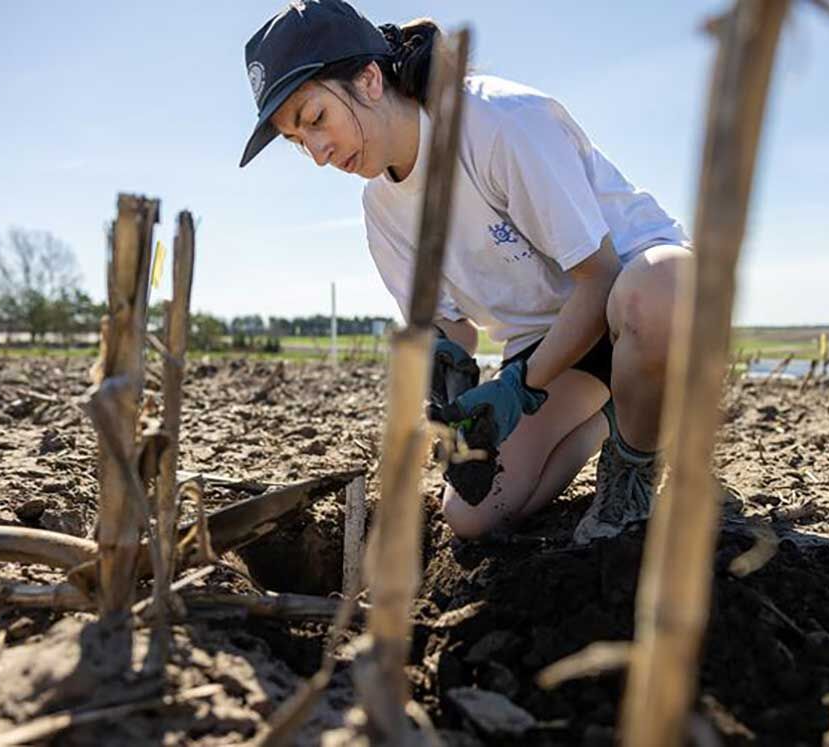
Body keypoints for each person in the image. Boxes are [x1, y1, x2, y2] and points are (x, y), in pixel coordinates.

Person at [239, 0, 691, 545]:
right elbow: (452, 325)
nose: (317, 152)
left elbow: (597, 279)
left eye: (316, 118)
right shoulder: (382, 208)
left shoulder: (498, 122)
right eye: (297, 139)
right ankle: (613, 413)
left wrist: (519, 386)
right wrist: (444, 365)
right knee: (473, 515)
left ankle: (634, 466)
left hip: (634, 297)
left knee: (657, 294)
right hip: (552, 344)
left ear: (369, 79)